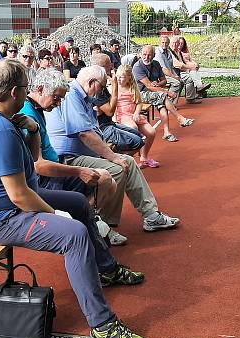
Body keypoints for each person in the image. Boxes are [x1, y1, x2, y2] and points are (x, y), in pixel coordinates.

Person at [0, 59, 148, 338]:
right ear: (15, 92)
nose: (26, 94)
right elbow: (19, 197)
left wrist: (35, 131)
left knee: (77, 202)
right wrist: (54, 215)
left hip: (12, 205)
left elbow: (34, 166)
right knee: (73, 234)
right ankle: (102, 324)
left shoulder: (1, 120)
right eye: (25, 89)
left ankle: (107, 269)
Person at [45, 64, 181, 232]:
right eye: (101, 87)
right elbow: (84, 134)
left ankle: (151, 215)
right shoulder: (73, 95)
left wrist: (111, 154)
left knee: (129, 162)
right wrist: (112, 156)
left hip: (82, 153)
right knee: (117, 168)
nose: (101, 92)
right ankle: (106, 226)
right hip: (69, 157)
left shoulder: (83, 96)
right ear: (91, 82)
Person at [20, 69, 124, 245]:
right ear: (40, 89)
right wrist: (78, 171)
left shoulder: (38, 108)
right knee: (103, 180)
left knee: (106, 180)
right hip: (45, 180)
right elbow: (39, 166)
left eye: (61, 99)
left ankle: (90, 223)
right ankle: (85, 226)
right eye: (56, 98)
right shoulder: (28, 113)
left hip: (55, 168)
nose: (58, 104)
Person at [132, 45, 194, 142]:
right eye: (144, 54)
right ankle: (179, 118)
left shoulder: (156, 64)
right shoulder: (137, 67)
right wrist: (167, 92)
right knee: (163, 97)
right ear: (140, 54)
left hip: (155, 92)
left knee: (162, 104)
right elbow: (148, 86)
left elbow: (164, 81)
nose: (146, 57)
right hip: (141, 94)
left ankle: (167, 132)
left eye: (149, 55)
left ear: (154, 55)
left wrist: (158, 84)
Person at [90, 53, 145, 154]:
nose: (112, 66)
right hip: (102, 127)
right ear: (101, 68)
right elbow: (110, 111)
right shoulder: (96, 87)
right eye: (109, 65)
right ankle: (120, 160)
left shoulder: (102, 83)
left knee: (139, 135)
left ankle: (121, 158)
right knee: (138, 142)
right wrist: (114, 85)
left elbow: (108, 104)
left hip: (109, 123)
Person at [116, 65, 157, 169]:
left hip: (133, 114)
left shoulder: (132, 87)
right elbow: (112, 105)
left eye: (123, 77)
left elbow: (139, 103)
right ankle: (130, 159)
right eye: (119, 76)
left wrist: (137, 113)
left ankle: (144, 158)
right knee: (133, 128)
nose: (120, 79)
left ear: (129, 77)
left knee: (151, 132)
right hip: (123, 115)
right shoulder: (115, 88)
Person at [153, 34, 200, 104]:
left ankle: (190, 98)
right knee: (177, 83)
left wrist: (176, 75)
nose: (164, 44)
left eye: (166, 43)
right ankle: (169, 103)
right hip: (162, 75)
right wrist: (174, 76)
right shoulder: (158, 53)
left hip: (172, 73)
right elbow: (164, 69)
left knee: (189, 78)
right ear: (160, 43)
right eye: (163, 42)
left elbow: (172, 66)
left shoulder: (168, 51)